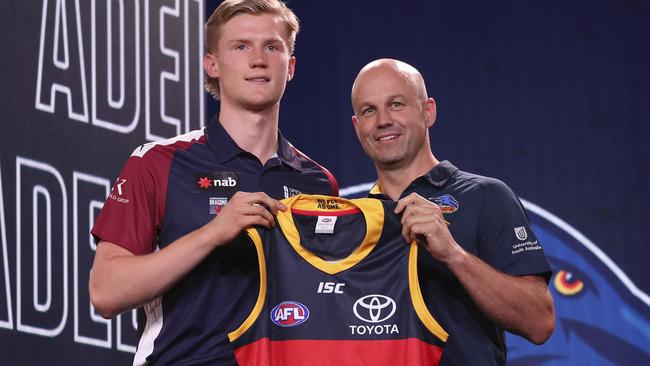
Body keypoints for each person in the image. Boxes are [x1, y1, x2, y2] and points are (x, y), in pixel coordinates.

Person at [89, 1, 337, 364]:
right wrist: (213, 233)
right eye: (241, 46)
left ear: (291, 66)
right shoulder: (158, 162)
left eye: (272, 46)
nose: (258, 59)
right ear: (212, 65)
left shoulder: (318, 183)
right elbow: (106, 292)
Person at [350, 58, 555, 365]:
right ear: (357, 126)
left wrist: (453, 255)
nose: (383, 120)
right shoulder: (352, 221)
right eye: (369, 110)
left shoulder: (486, 197)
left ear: (427, 111)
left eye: (396, 104)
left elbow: (539, 323)